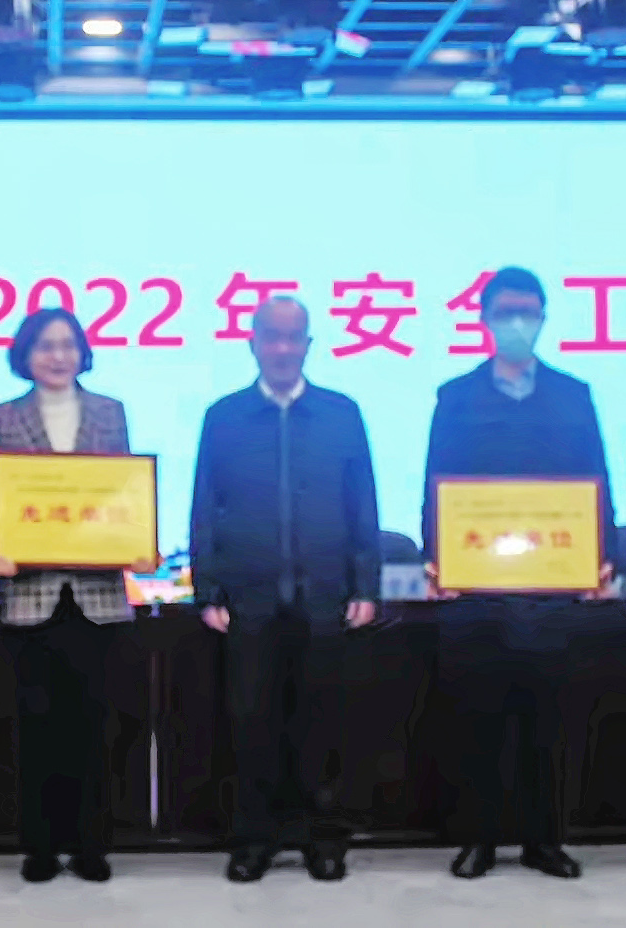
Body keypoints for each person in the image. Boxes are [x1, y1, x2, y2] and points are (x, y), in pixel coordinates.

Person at [417, 268, 603, 882]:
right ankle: (479, 838)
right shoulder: (455, 396)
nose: (517, 322)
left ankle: (545, 840)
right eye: (505, 312)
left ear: (544, 318)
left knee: (549, 718)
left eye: (528, 311)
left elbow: (595, 480)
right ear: (485, 319)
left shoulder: (574, 395)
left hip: (553, 586)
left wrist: (598, 556)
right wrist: (438, 558)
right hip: (476, 587)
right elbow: (436, 484)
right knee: (479, 718)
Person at [190, 296, 381, 883]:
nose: (281, 348)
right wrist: (207, 589)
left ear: (308, 345)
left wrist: (366, 584)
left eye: (293, 337)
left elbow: (363, 504)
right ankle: (254, 840)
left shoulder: (341, 413)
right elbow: (204, 506)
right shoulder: (224, 416)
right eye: (271, 336)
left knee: (322, 724)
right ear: (252, 343)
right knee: (252, 723)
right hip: (249, 597)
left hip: (325, 594)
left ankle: (322, 839)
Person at [0, 308, 150, 884]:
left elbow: (122, 495)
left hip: (97, 595)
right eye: (45, 346)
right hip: (31, 595)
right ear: (25, 355)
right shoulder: (5, 417)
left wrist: (138, 541)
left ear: (82, 352)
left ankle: (91, 844)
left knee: (93, 726)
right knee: (37, 728)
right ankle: (40, 846)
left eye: (67, 345)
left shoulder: (110, 412)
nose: (57, 356)